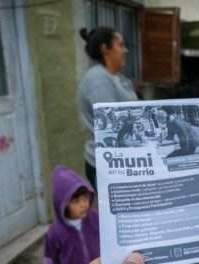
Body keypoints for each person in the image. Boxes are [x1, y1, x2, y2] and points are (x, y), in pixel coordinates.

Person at [77, 27, 138, 190]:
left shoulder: (115, 77)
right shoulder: (98, 79)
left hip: (122, 159)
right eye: (120, 45)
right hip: (108, 164)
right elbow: (111, 128)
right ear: (105, 48)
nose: (125, 50)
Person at [43, 166, 100, 264]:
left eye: (85, 197)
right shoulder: (54, 233)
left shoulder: (95, 218)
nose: (84, 204)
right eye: (76, 201)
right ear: (63, 204)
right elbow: (50, 259)